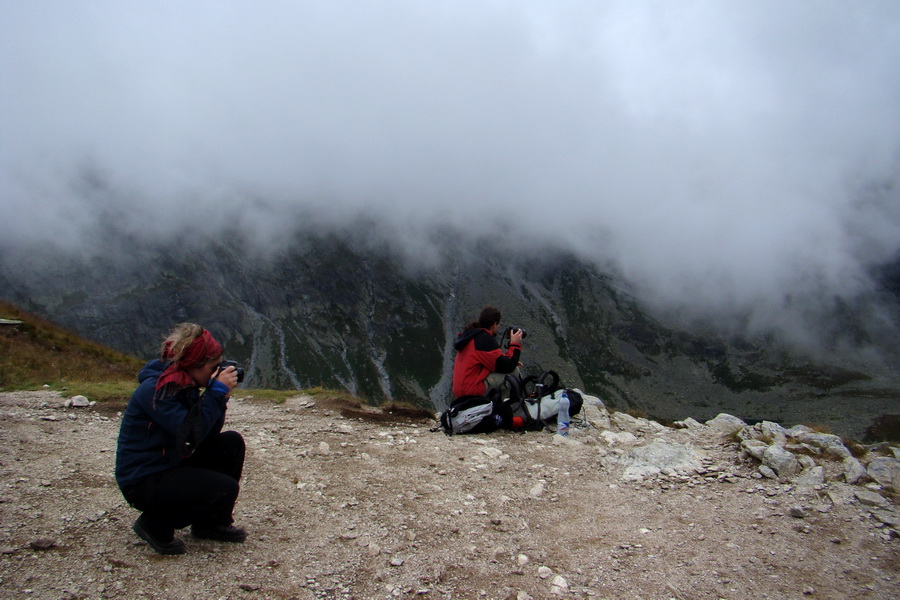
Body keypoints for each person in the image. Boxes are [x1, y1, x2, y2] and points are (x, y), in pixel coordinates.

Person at [115, 323, 246, 555]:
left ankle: (210, 524)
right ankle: (155, 524)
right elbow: (192, 434)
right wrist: (214, 394)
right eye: (213, 367)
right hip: (144, 480)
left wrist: (219, 398)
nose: (217, 372)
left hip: (169, 461)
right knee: (223, 488)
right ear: (194, 366)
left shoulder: (185, 384)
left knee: (231, 443)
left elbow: (206, 435)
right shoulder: (158, 390)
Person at [451, 306, 524, 400]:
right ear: (494, 325)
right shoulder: (484, 339)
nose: (498, 327)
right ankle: (508, 406)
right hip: (471, 390)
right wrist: (515, 344)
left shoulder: (472, 336)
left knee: (509, 369)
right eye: (498, 325)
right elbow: (507, 366)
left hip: (461, 390)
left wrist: (508, 360)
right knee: (513, 371)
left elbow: (487, 360)